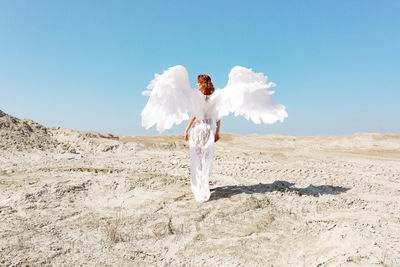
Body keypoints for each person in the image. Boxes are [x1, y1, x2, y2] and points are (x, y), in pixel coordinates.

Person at [183, 74, 220, 202]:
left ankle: (199, 187)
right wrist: (217, 132)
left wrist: (186, 129)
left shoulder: (199, 97)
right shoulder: (214, 98)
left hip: (198, 130)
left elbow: (193, 115)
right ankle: (204, 187)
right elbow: (218, 117)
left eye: (198, 83)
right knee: (206, 160)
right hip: (209, 130)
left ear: (203, 84)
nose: (197, 85)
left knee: (197, 159)